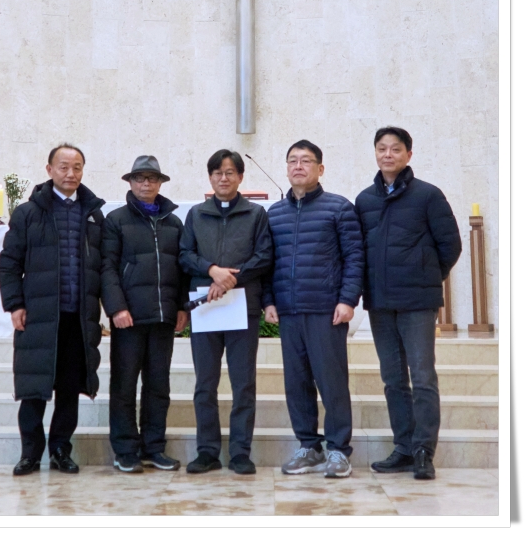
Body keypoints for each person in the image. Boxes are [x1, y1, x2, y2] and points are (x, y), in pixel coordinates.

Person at [355, 126, 462, 480]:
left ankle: (423, 451)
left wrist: (425, 276)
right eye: (382, 148)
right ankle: (403, 447)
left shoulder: (428, 195)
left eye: (395, 149)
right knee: (393, 379)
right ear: (375, 153)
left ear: (408, 154)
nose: (388, 154)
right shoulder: (364, 200)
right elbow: (359, 251)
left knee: (423, 376)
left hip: (417, 302)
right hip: (380, 303)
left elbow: (451, 245)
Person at [0, 144, 105, 476]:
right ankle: (30, 453)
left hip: (78, 317)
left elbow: (102, 267)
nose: (71, 173)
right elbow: (9, 263)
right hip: (40, 315)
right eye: (63, 167)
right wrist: (15, 304)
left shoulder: (92, 214)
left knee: (69, 389)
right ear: (49, 170)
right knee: (34, 388)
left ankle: (60, 449)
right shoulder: (28, 213)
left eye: (77, 167)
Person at [263, 139, 364, 479]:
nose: (298, 166)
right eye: (292, 160)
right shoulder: (274, 214)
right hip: (289, 311)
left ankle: (338, 450)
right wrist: (268, 301)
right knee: (297, 384)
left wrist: (347, 300)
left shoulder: (339, 208)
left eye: (306, 161)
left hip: (325, 310)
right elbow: (267, 263)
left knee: (332, 382)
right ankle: (309, 446)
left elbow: (354, 257)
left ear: (320, 169)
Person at [179, 149, 273, 475]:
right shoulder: (196, 215)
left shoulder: (256, 214)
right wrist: (212, 270)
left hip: (242, 307)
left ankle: (240, 453)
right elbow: (184, 255)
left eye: (230, 172)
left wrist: (231, 279)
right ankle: (207, 452)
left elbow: (264, 256)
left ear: (240, 177)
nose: (223, 178)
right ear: (210, 177)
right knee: (205, 383)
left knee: (243, 383)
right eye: (218, 172)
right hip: (205, 307)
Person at [100, 155, 189, 473]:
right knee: (124, 385)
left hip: (163, 317)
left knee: (158, 386)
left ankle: (154, 448)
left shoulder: (174, 223)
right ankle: (125, 450)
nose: (146, 183)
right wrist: (116, 307)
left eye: (152, 178)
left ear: (160, 183)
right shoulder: (116, 220)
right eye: (140, 178)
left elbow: (182, 269)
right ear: (130, 182)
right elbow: (107, 268)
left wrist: (182, 307)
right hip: (129, 317)